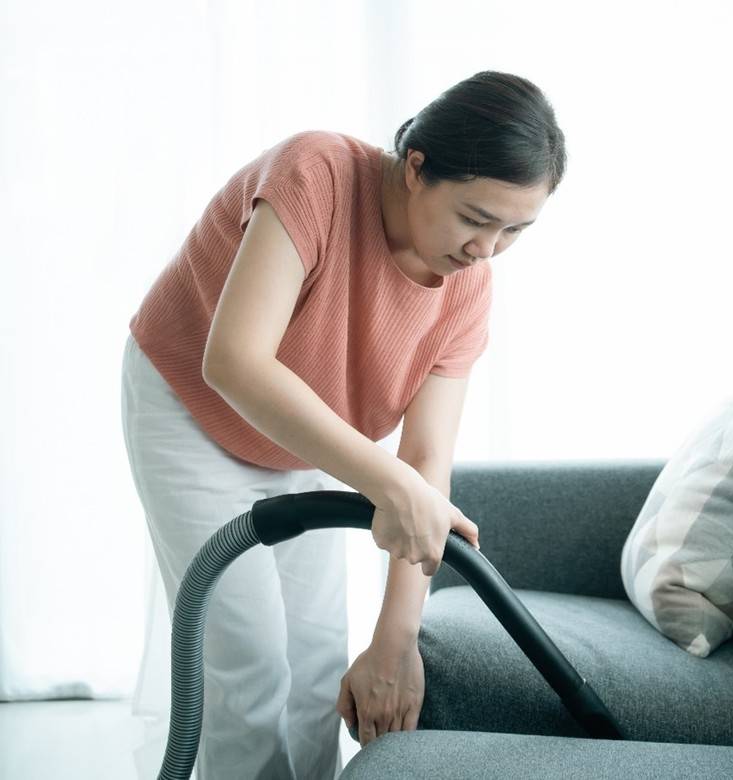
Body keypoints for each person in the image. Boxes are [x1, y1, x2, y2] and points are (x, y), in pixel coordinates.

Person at [120, 70, 566, 779]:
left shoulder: (467, 289)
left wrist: (396, 639)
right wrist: (390, 482)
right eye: (477, 218)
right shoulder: (317, 174)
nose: (488, 249)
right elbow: (234, 362)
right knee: (250, 662)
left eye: (515, 230)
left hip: (301, 432)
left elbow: (424, 459)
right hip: (190, 410)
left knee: (317, 660)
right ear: (417, 168)